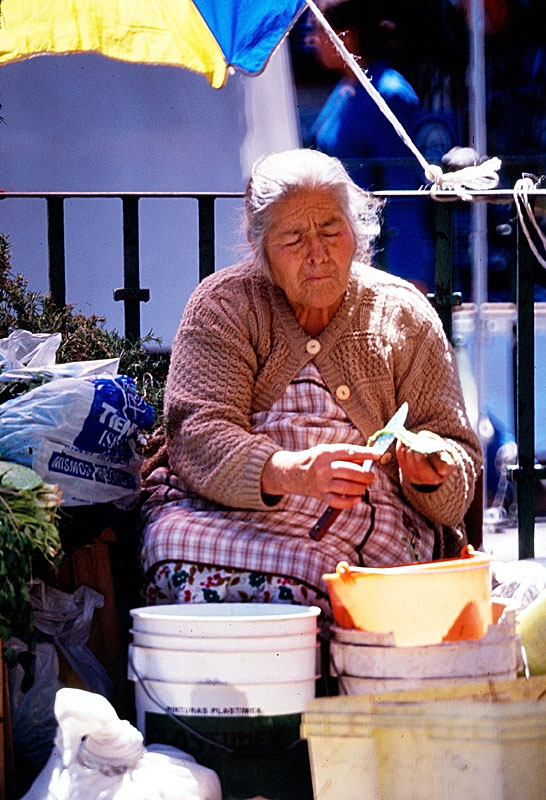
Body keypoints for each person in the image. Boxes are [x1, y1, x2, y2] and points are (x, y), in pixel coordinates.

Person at [139, 148, 482, 617]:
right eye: (294, 238)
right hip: (233, 518)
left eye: (330, 231)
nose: (317, 254)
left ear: (356, 233)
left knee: (341, 573)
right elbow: (197, 434)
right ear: (260, 247)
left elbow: (458, 456)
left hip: (369, 521)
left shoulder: (403, 313)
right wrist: (294, 473)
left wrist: (430, 474)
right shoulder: (223, 305)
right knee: (169, 541)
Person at [306, 0, 458, 293]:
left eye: (318, 30)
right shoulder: (345, 88)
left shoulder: (388, 94)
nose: (311, 40)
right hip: (345, 245)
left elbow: (403, 193)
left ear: (345, 36)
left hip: (384, 258)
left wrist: (409, 277)